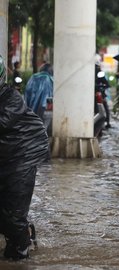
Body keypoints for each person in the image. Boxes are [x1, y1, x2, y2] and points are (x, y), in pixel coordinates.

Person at [0, 55, 49, 260]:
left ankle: (21, 252)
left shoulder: (10, 97)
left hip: (24, 154)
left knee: (14, 214)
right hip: (5, 156)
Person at [95, 64, 112, 129]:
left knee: (105, 106)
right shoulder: (90, 74)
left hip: (100, 94)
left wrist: (102, 87)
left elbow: (107, 84)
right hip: (92, 94)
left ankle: (107, 122)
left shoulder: (100, 76)